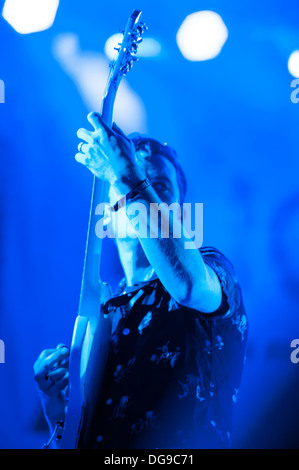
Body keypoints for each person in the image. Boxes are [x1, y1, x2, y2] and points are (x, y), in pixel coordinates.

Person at [34, 112, 248, 449]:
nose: (141, 192)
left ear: (178, 211)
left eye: (160, 187)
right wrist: (59, 413)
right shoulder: (102, 310)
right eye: (125, 183)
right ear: (107, 213)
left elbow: (188, 285)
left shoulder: (211, 267)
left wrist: (127, 174)